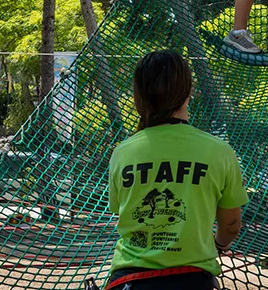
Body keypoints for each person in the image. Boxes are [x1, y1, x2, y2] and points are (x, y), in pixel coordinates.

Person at [106, 50, 249, 289]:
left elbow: (122, 213)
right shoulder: (219, 151)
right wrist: (219, 245)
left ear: (138, 96)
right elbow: (231, 225)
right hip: (192, 279)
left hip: (129, 280)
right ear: (188, 92)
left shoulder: (123, 152)